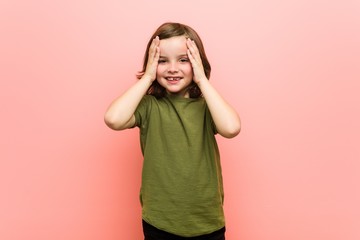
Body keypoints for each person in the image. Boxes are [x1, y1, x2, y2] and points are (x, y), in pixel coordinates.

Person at [104, 22, 241, 240]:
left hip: (207, 220)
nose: (173, 68)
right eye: (162, 60)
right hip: (159, 222)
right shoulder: (149, 106)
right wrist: (148, 77)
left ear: (197, 63)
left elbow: (232, 128)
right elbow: (113, 119)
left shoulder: (207, 107)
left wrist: (202, 80)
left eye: (184, 60)